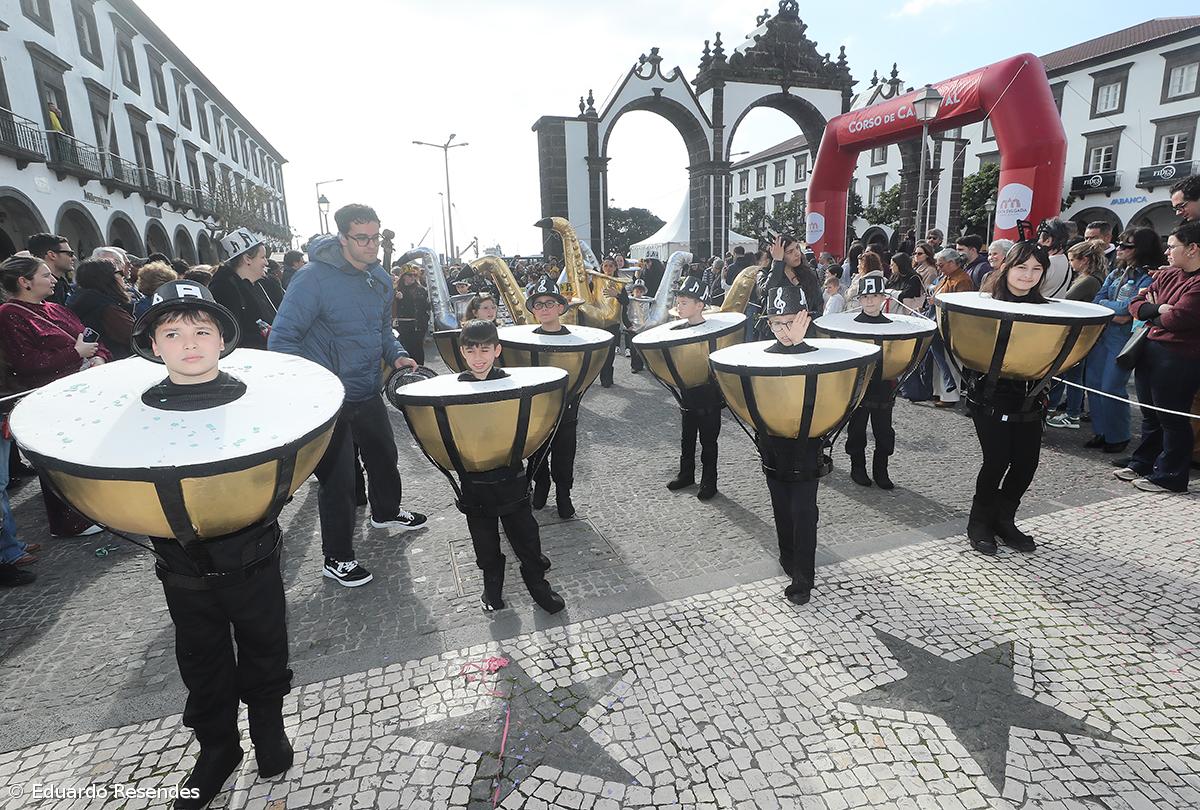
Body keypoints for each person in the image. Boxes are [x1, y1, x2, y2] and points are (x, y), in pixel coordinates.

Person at [128, 280, 295, 808]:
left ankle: (269, 728)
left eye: (203, 330)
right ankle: (217, 748)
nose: (190, 343)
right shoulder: (138, 408)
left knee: (264, 640)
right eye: (173, 333)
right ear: (155, 346)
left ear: (223, 338)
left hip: (252, 547)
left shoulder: (255, 397)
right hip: (180, 559)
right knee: (201, 655)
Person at [269, 204, 427, 587]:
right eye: (362, 238)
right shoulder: (311, 279)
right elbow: (281, 340)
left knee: (385, 456)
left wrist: (397, 354)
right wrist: (315, 386)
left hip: (365, 388)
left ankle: (386, 512)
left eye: (375, 236)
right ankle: (336, 558)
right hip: (328, 398)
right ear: (342, 238)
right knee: (339, 482)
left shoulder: (379, 279)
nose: (371, 244)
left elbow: (382, 331)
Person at [449, 319, 566, 614]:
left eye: (484, 350)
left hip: (510, 476)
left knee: (526, 537)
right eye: (471, 350)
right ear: (462, 352)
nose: (478, 357)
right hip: (474, 480)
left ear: (497, 350)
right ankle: (492, 589)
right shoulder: (454, 388)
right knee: (484, 543)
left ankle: (539, 587)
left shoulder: (512, 383)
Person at [0, 254, 108, 538]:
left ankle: (96, 509)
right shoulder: (9, 314)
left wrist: (98, 359)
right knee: (59, 460)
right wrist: (75, 353)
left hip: (82, 391)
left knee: (85, 455)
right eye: (45, 275)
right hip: (49, 399)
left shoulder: (57, 308)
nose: (54, 279)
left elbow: (92, 340)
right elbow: (27, 361)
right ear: (24, 282)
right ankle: (70, 522)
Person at [963, 240, 1053, 556]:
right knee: (998, 459)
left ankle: (1004, 519)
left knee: (1026, 462)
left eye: (1036, 269)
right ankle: (979, 522)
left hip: (1030, 396)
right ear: (1007, 267)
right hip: (990, 394)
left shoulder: (1048, 311)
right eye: (1022, 267)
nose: (1028, 275)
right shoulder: (984, 304)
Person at [1115, 220, 1200, 493]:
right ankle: (1144, 461)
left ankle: (1171, 475)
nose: (1166, 252)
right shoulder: (1167, 274)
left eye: (1172, 246)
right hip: (1150, 348)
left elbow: (1180, 318)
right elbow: (1135, 303)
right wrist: (1159, 308)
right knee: (1150, 413)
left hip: (1180, 356)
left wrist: (1155, 309)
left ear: (1193, 248)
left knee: (1172, 417)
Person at [760, 285, 826, 606]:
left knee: (803, 509)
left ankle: (803, 576)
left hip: (807, 442)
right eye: (776, 323)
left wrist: (800, 348)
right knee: (781, 507)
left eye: (791, 322)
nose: (784, 331)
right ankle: (789, 559)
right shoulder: (761, 355)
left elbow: (826, 389)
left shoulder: (820, 353)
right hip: (772, 443)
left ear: (805, 319)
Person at [1084, 228, 1159, 454]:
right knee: (1093, 384)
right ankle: (1102, 432)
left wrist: (1111, 308)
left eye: (1127, 246)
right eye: (1120, 244)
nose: (1120, 249)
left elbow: (1130, 311)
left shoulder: (1148, 276)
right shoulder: (1116, 273)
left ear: (1141, 249)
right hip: (1103, 333)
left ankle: (1118, 435)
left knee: (1111, 387)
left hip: (1124, 338)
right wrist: (1114, 310)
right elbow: (1098, 299)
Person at [659, 276, 725, 501]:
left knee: (708, 442)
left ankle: (710, 481)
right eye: (678, 301)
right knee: (686, 439)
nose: (679, 305)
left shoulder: (714, 331)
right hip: (687, 394)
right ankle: (686, 474)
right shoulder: (678, 329)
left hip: (709, 396)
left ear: (700, 305)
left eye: (685, 301)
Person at [524, 276, 582, 518]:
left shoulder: (576, 338)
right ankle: (542, 484)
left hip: (567, 406)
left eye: (550, 303)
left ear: (560, 307)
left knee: (564, 452)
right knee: (536, 451)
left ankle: (563, 494)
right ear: (534, 311)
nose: (544, 309)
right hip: (537, 407)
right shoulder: (525, 339)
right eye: (539, 304)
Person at [843, 273, 900, 490]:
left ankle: (881, 469)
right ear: (859, 299)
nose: (869, 301)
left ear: (883, 298)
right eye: (865, 296)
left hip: (884, 384)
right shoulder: (851, 325)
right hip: (858, 385)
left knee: (884, 430)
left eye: (875, 295)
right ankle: (857, 466)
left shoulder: (892, 325)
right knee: (857, 429)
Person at [1046, 239, 1109, 430]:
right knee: (1070, 374)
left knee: (1072, 375)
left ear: (1085, 260)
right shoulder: (1093, 276)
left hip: (1080, 334)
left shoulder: (1088, 280)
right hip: (1083, 333)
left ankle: (1072, 414)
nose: (1071, 264)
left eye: (1072, 260)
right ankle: (1061, 409)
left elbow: (1066, 300)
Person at [209, 228, 275, 351]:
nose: (266, 263)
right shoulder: (223, 289)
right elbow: (232, 335)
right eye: (263, 257)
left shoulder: (257, 284)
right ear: (247, 259)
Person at [66, 258, 136, 360]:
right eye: (119, 273)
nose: (123, 276)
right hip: (115, 362)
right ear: (108, 278)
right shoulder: (107, 308)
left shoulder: (83, 300)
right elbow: (135, 335)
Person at [931, 248, 975, 408]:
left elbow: (961, 306)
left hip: (952, 326)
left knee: (950, 362)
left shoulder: (962, 280)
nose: (939, 268)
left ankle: (949, 395)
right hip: (941, 324)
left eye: (941, 265)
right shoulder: (948, 277)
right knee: (940, 361)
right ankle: (939, 391)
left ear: (951, 263)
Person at [763, 235, 823, 318]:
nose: (797, 253)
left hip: (807, 325)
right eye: (790, 252)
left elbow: (818, 302)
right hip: (780, 327)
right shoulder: (764, 273)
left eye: (797, 248)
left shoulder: (808, 273)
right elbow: (766, 291)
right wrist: (777, 263)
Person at [392, 265, 430, 364]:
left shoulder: (420, 289)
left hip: (417, 325)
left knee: (417, 351)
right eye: (410, 275)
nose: (413, 277)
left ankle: (419, 371)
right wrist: (396, 298)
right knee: (404, 351)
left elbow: (423, 306)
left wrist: (404, 299)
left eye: (414, 275)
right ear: (404, 276)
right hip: (402, 325)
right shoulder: (396, 289)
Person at [27, 233, 76, 306]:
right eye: (70, 254)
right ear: (52, 255)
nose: (74, 258)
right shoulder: (39, 287)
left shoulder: (61, 283)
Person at [596, 257, 623, 388]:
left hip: (613, 322)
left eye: (611, 266)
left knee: (610, 352)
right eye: (605, 266)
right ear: (601, 267)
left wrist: (617, 295)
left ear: (615, 268)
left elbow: (626, 302)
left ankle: (607, 378)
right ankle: (601, 377)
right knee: (600, 352)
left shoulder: (620, 283)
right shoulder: (595, 281)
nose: (608, 269)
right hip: (597, 322)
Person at [1036, 218, 1073, 298]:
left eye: (1039, 238)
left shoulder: (1046, 264)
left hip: (1039, 308)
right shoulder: (1066, 261)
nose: (1038, 242)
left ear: (1048, 240)